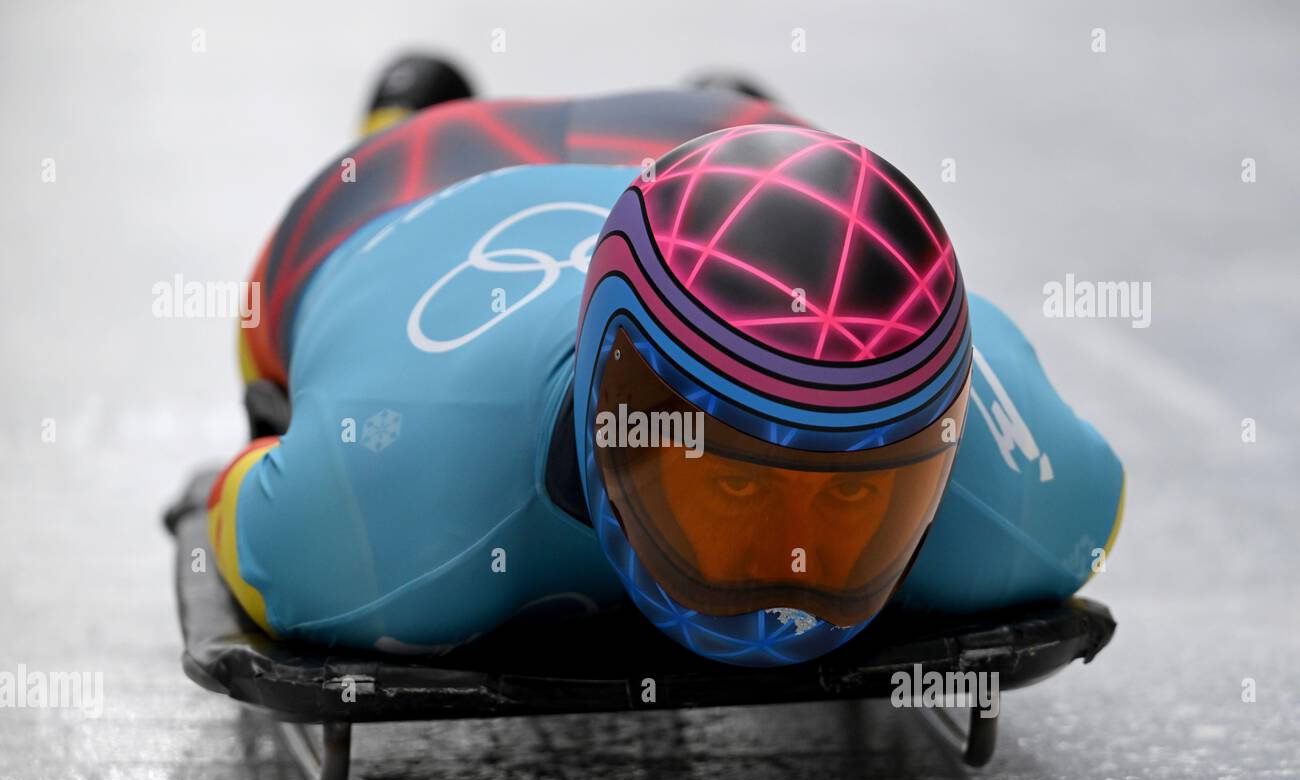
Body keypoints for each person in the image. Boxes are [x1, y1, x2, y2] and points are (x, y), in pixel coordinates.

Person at [208, 59, 1124, 667]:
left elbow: (237, 493)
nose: (790, 566)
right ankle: (420, 120)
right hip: (405, 188)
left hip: (688, 156)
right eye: (734, 487)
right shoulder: (378, 505)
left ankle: (422, 106)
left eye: (854, 495)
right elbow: (260, 501)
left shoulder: (371, 542)